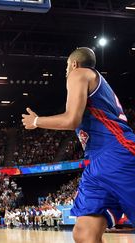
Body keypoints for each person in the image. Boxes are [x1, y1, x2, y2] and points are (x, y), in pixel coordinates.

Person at [22, 47, 135, 243]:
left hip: (117, 153)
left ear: (73, 64)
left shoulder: (78, 73)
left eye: (67, 66)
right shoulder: (97, 83)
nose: (66, 71)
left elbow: (71, 120)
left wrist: (37, 121)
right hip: (96, 162)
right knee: (84, 233)